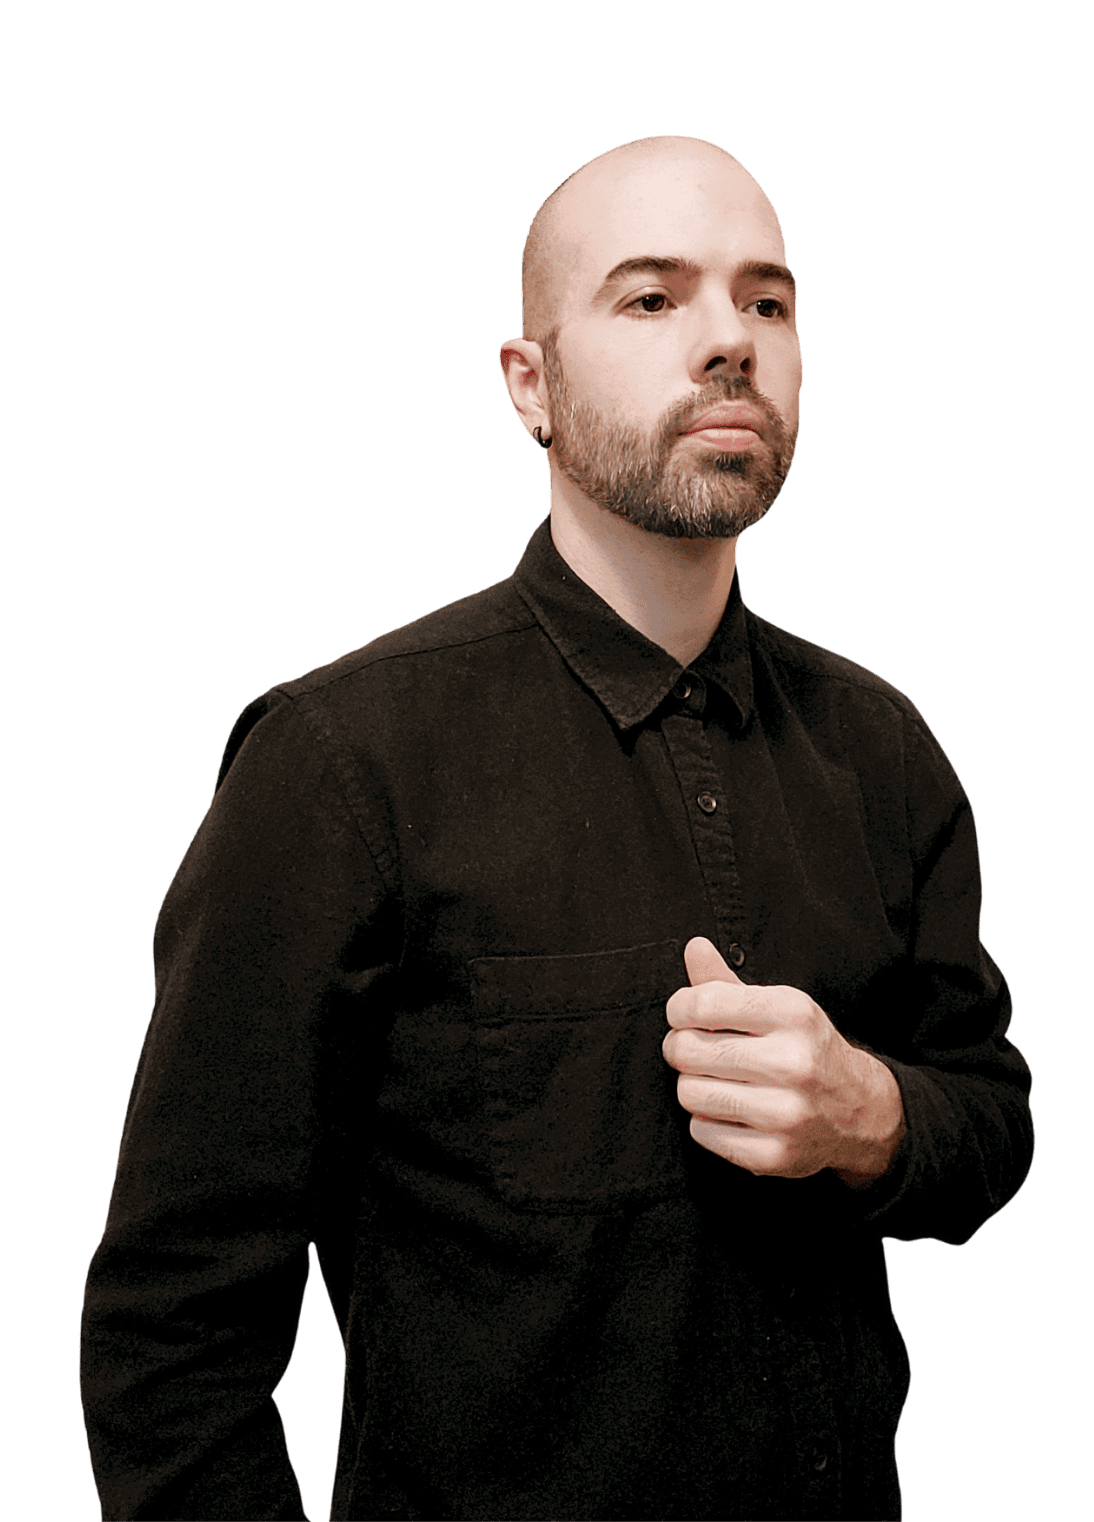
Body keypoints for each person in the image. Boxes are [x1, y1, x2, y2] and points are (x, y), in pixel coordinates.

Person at [80, 136, 1034, 1522]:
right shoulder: (339, 762)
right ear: (530, 384)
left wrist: (869, 1116)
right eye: (651, 298)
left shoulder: (881, 749)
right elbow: (169, 1333)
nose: (730, 341)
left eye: (766, 301)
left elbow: (990, 1118)